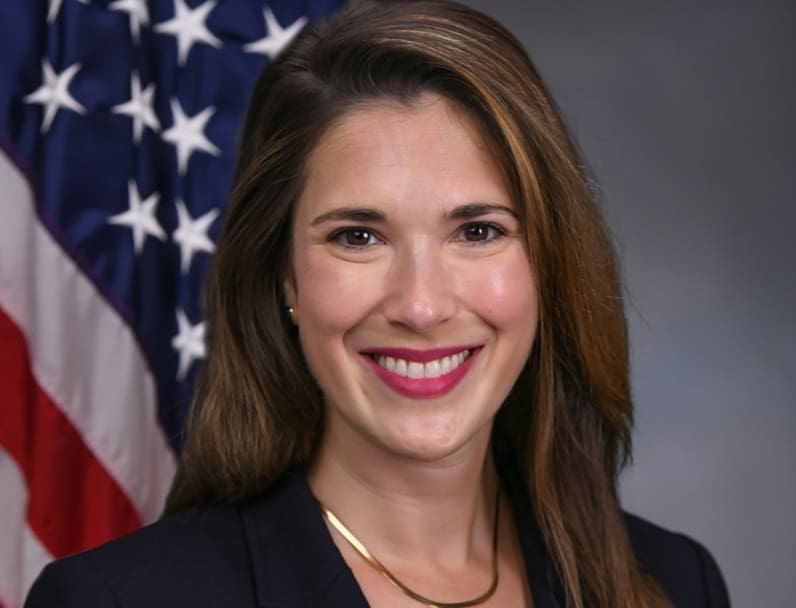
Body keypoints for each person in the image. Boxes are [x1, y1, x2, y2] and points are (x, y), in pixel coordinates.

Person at [25, 1, 731, 607]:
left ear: (547, 263)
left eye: (478, 231)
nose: (421, 305)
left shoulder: (672, 582)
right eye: (358, 236)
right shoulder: (119, 601)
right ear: (284, 277)